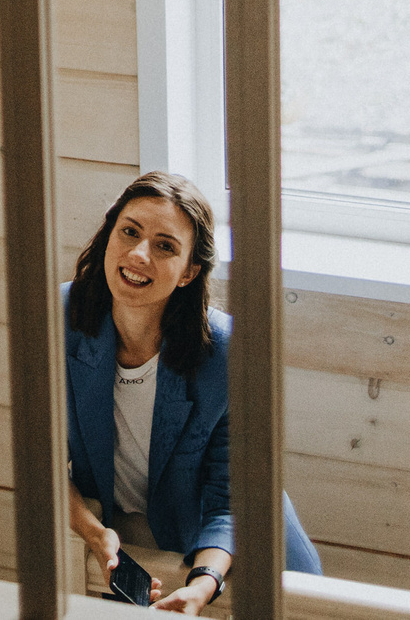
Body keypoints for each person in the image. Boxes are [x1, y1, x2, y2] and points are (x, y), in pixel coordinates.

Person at [64, 170, 319, 612]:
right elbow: (38, 457)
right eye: (129, 232)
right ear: (109, 237)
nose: (139, 254)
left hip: (246, 555)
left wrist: (205, 582)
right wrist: (93, 530)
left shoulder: (226, 351)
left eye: (165, 246)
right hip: (146, 552)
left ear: (188, 272)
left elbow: (232, 497)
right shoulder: (59, 318)